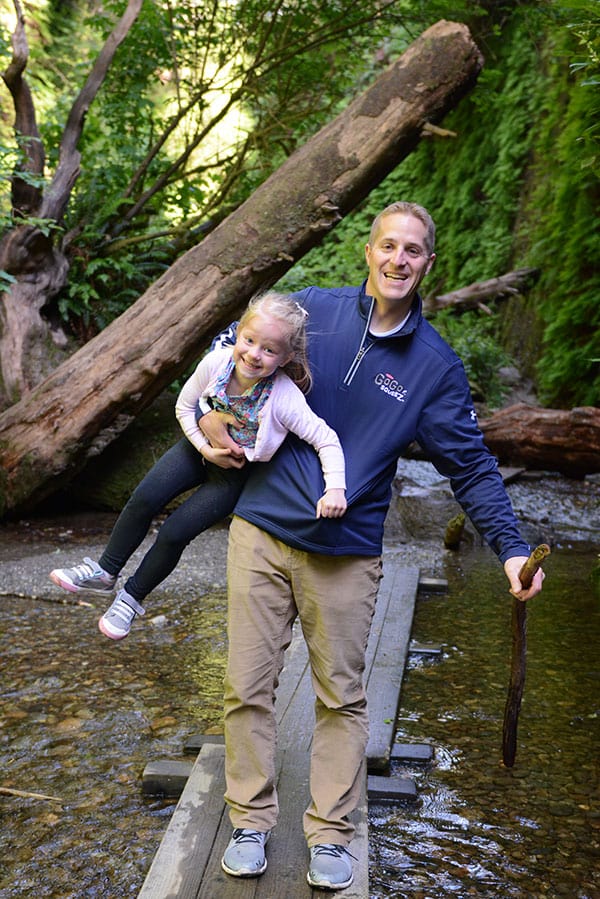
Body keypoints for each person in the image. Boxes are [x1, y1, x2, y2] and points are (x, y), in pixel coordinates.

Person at [197, 202, 545, 890]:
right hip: (261, 529)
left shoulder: (434, 367)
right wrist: (210, 416)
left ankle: (329, 834)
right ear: (369, 250)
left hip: (347, 548)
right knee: (245, 687)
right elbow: (229, 351)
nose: (398, 259)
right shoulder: (311, 311)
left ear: (428, 265)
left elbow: (471, 466)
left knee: (343, 697)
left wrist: (509, 547)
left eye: (413, 250)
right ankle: (249, 820)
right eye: (389, 244)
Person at [49, 291, 346, 640]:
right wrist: (206, 447)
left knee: (176, 531)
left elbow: (325, 439)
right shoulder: (217, 363)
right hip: (195, 450)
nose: (253, 354)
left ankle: (130, 599)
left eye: (268, 349)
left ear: (285, 357)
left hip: (232, 476)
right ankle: (104, 570)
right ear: (238, 334)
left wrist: (335, 488)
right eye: (249, 341)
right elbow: (184, 407)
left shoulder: (284, 398)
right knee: (144, 498)